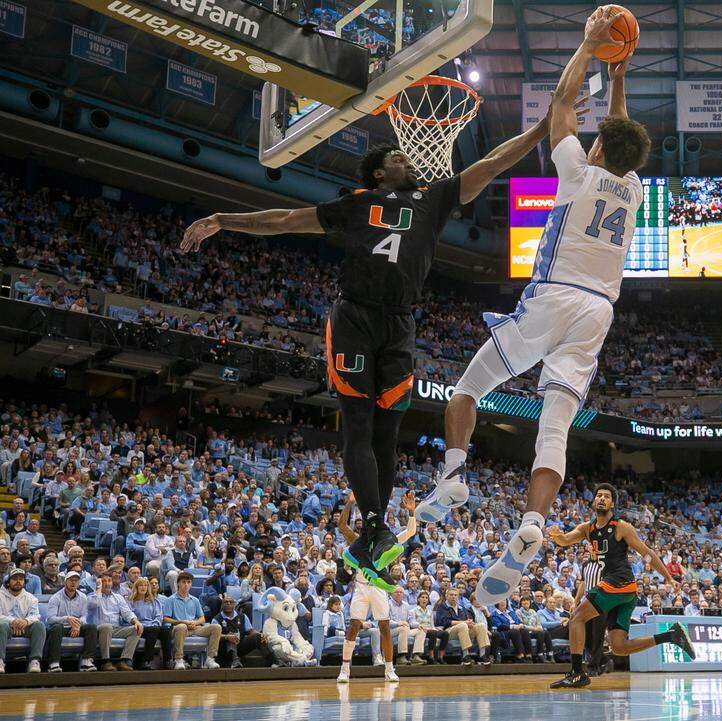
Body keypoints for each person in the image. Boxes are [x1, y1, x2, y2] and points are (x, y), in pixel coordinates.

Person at [182, 84, 557, 591]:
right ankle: (375, 529)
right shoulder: (357, 201)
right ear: (380, 172)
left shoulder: (436, 195)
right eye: (400, 156)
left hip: (401, 323)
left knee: (389, 434)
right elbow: (285, 221)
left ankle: (375, 533)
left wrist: (539, 128)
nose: (412, 158)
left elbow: (491, 163)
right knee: (357, 425)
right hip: (354, 318)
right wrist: (224, 220)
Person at [417, 7, 651, 613]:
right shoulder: (636, 189)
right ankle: (530, 524)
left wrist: (587, 47)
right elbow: (620, 134)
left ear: (596, 149)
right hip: (599, 313)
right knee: (555, 426)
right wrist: (619, 78)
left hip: (555, 296)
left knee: (468, 387)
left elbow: (564, 104)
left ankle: (452, 474)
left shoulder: (577, 170)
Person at [547, 483, 695, 688]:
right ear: (593, 501)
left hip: (619, 582)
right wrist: (556, 535)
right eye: (598, 495)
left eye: (606, 496)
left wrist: (668, 577)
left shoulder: (621, 526)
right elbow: (565, 540)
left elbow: (647, 553)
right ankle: (671, 635)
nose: (601, 498)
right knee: (619, 647)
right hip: (625, 592)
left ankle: (576, 672)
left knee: (577, 618)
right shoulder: (587, 528)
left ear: (612, 504)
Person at [336, 492, 417, 683]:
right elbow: (341, 526)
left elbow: (410, 532)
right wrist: (350, 503)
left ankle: (389, 669)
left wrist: (412, 513)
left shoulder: (387, 541)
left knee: (384, 627)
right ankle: (344, 669)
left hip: (379, 588)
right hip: (362, 587)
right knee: (354, 626)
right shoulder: (358, 541)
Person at [163, 571, 222, 670]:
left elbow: (202, 618)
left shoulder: (195, 600)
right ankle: (179, 659)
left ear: (191, 584)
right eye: (183, 582)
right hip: (178, 629)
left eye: (188, 582)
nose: (186, 584)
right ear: (178, 583)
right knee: (181, 627)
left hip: (195, 627)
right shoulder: (170, 600)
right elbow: (165, 618)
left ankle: (210, 659)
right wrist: (182, 622)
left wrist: (195, 622)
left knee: (216, 627)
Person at [44, 570, 99, 672]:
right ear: (65, 582)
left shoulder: (83, 597)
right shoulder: (55, 598)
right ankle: (54, 663)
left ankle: (86, 661)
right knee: (56, 627)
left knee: (91, 627)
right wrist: (67, 619)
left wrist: (77, 624)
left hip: (76, 627)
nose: (74, 583)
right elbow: (50, 619)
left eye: (76, 580)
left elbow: (84, 616)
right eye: (71, 580)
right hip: (61, 628)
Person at [87, 573, 142, 671]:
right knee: (106, 627)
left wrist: (136, 621)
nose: (107, 583)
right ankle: (105, 661)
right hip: (98, 629)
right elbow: (95, 604)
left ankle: (124, 660)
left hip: (115, 628)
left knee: (136, 629)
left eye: (109, 581)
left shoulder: (118, 597)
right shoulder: (91, 597)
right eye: (103, 581)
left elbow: (127, 613)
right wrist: (98, 589)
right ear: (98, 583)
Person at [0, 568, 46, 673]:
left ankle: (34, 661)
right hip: (6, 628)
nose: (18, 581)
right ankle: (0, 661)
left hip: (25, 628)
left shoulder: (31, 598)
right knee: (1, 625)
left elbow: (35, 615)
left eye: (21, 579)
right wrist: (13, 621)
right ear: (8, 581)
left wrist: (25, 621)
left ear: (24, 582)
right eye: (15, 578)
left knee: (39, 625)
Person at [435, 587, 493, 666]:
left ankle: (483, 655)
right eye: (451, 595)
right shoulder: (442, 607)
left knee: (480, 625)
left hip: (464, 630)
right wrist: (464, 622)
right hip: (449, 631)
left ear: (458, 597)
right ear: (446, 596)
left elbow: (467, 620)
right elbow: (445, 622)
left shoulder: (461, 608)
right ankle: (466, 656)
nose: (453, 597)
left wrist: (471, 623)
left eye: (455, 595)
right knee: (462, 625)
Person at [128, 577, 172, 670]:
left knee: (165, 630)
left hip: (153, 626)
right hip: (139, 628)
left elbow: (158, 616)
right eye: (141, 585)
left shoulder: (154, 601)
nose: (143, 587)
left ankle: (167, 660)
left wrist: (154, 624)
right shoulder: (131, 602)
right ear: (136, 587)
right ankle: (147, 661)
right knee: (154, 630)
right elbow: (130, 616)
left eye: (145, 585)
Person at [413, 590, 450, 664]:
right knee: (433, 633)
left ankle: (440, 657)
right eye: (422, 597)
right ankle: (431, 657)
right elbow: (413, 623)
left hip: (430, 629)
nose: (424, 599)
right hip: (421, 630)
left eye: (426, 598)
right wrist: (420, 626)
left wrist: (436, 629)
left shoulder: (430, 611)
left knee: (445, 633)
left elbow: (432, 624)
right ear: (418, 599)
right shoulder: (414, 610)